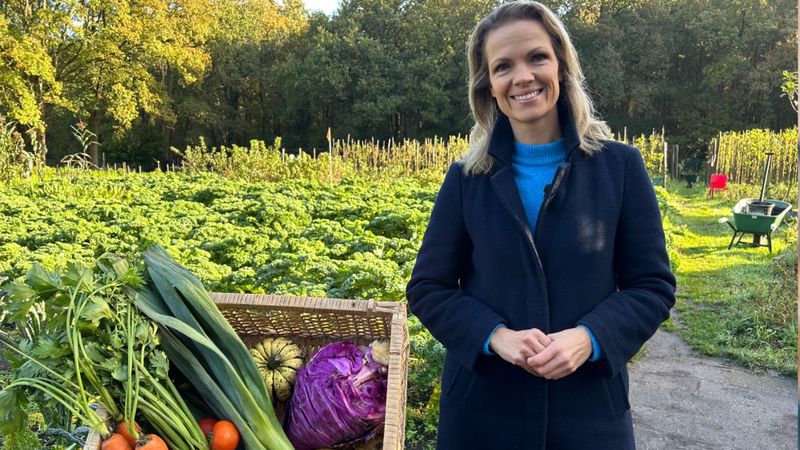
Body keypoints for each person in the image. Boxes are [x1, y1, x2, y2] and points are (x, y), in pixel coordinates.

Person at [405, 1, 676, 449]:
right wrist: (495, 336)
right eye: (503, 66)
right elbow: (428, 288)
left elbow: (653, 285)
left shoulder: (620, 168)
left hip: (588, 416)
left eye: (537, 57)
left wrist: (590, 338)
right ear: (489, 86)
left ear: (562, 66)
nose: (522, 77)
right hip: (481, 417)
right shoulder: (466, 178)